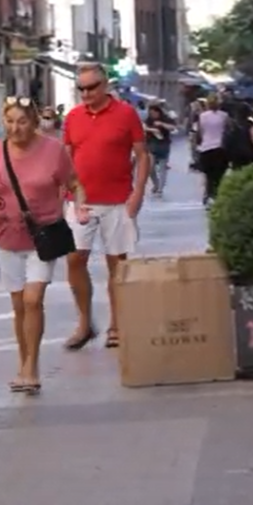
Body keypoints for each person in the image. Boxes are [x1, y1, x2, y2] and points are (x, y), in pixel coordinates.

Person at [0, 98, 87, 393]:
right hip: (8, 236)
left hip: (44, 236)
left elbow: (74, 183)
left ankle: (32, 367)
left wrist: (80, 207)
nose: (15, 128)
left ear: (34, 123)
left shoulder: (53, 150)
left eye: (22, 122)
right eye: (10, 122)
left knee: (33, 299)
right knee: (19, 306)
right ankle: (24, 361)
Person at [62, 63, 148, 350]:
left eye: (91, 87)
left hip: (117, 200)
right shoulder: (73, 117)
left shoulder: (126, 114)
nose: (85, 93)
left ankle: (117, 324)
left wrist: (137, 194)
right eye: (81, 88)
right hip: (81, 201)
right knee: (74, 259)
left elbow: (142, 155)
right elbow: (67, 154)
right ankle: (85, 322)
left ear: (105, 86)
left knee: (117, 265)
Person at [195, 94, 231, 203]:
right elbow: (227, 130)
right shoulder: (224, 116)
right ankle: (216, 193)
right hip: (220, 147)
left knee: (208, 174)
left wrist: (198, 144)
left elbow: (200, 132)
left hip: (206, 147)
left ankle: (208, 192)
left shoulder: (202, 116)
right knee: (219, 174)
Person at [144, 103, 177, 196]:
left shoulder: (165, 118)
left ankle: (160, 189)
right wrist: (152, 130)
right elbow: (144, 127)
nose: (152, 115)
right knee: (150, 168)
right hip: (152, 145)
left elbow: (173, 128)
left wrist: (162, 124)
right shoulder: (149, 119)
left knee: (162, 168)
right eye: (150, 113)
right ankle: (156, 183)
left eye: (153, 113)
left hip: (163, 145)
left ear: (158, 112)